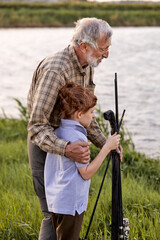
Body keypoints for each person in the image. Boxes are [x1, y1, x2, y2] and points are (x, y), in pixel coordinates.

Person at [27, 17, 122, 240]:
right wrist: (66, 148)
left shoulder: (86, 65)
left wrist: (106, 144)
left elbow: (86, 114)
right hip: (46, 147)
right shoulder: (55, 71)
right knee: (53, 215)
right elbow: (36, 126)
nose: (107, 55)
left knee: (68, 214)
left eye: (108, 48)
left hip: (70, 142)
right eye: (103, 49)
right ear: (84, 46)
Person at [44, 82, 121, 240]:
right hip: (71, 204)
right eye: (91, 112)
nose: (93, 116)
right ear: (79, 114)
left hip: (56, 201)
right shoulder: (77, 136)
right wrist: (106, 147)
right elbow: (86, 173)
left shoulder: (58, 131)